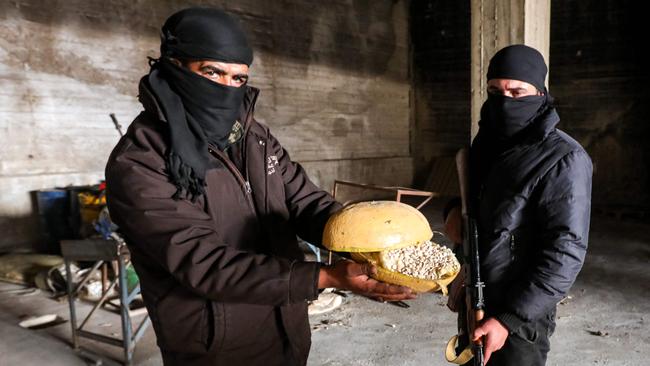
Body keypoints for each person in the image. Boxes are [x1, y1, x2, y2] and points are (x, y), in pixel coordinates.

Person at [105, 7, 414, 366]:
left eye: (238, 79)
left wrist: (372, 243)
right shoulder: (141, 160)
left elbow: (305, 203)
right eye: (211, 72)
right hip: (216, 345)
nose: (226, 88)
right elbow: (203, 264)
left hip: (286, 327)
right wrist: (326, 277)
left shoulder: (253, 137)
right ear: (175, 66)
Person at [444, 44, 592, 365]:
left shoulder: (564, 158)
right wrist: (453, 209)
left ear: (539, 92)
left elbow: (564, 253)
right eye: (495, 91)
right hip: (476, 294)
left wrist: (507, 320)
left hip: (521, 316)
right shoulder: (487, 143)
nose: (505, 101)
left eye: (517, 91)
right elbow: (476, 196)